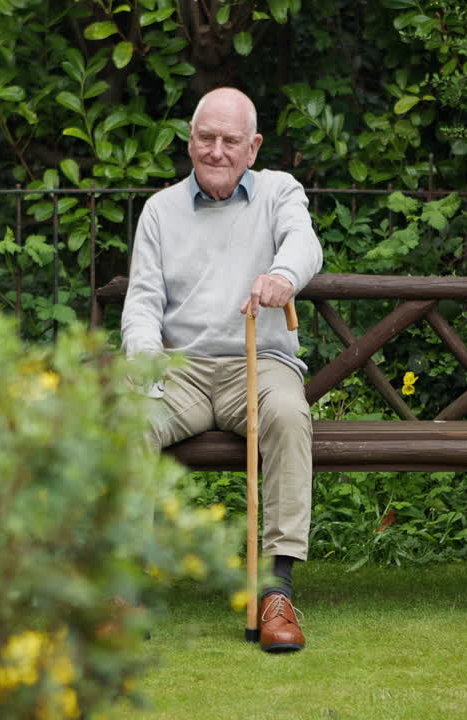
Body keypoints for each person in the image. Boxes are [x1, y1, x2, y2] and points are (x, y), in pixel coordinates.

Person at [121, 87, 323, 653]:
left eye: (230, 140)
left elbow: (304, 243)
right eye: (205, 138)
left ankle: (276, 591)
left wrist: (282, 276)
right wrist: (144, 354)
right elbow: (142, 301)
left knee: (287, 413)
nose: (216, 150)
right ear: (190, 141)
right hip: (181, 368)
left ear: (253, 147)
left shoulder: (280, 192)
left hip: (258, 363)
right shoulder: (161, 210)